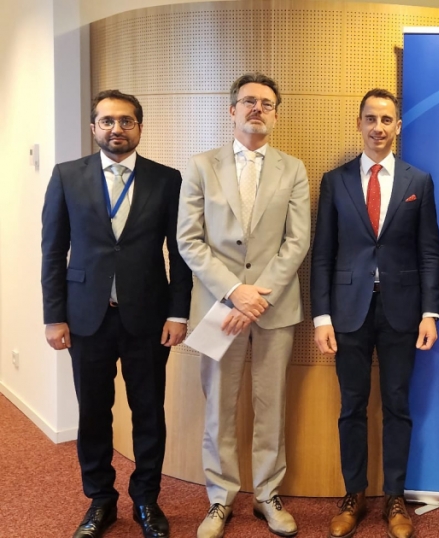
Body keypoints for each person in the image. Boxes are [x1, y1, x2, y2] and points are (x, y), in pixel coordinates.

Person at [41, 89, 193, 538]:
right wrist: (54, 316)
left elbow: (180, 255)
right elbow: (53, 251)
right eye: (107, 121)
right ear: (94, 128)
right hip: (86, 317)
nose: (116, 129)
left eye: (126, 121)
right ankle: (101, 501)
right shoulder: (67, 176)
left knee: (149, 412)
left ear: (140, 127)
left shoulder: (167, 179)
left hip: (148, 318)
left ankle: (146, 499)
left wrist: (178, 314)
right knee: (93, 412)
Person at [176, 73, 311, 538]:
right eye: (249, 101)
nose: (257, 109)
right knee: (219, 406)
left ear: (276, 115)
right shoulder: (201, 166)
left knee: (271, 404)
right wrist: (235, 290)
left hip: (274, 306)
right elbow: (189, 240)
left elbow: (297, 241)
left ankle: (268, 494)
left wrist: (257, 295)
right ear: (231, 110)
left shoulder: (293, 169)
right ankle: (220, 498)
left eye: (266, 103)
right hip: (217, 305)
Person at [311, 88, 439, 538]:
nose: (378, 127)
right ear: (359, 123)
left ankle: (395, 497)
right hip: (348, 311)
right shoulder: (335, 181)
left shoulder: (418, 181)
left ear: (398, 126)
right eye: (371, 118)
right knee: (352, 406)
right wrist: (322, 317)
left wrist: (430, 312)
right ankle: (354, 494)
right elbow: (323, 254)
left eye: (387, 120)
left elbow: (429, 252)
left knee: (397, 406)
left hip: (402, 312)